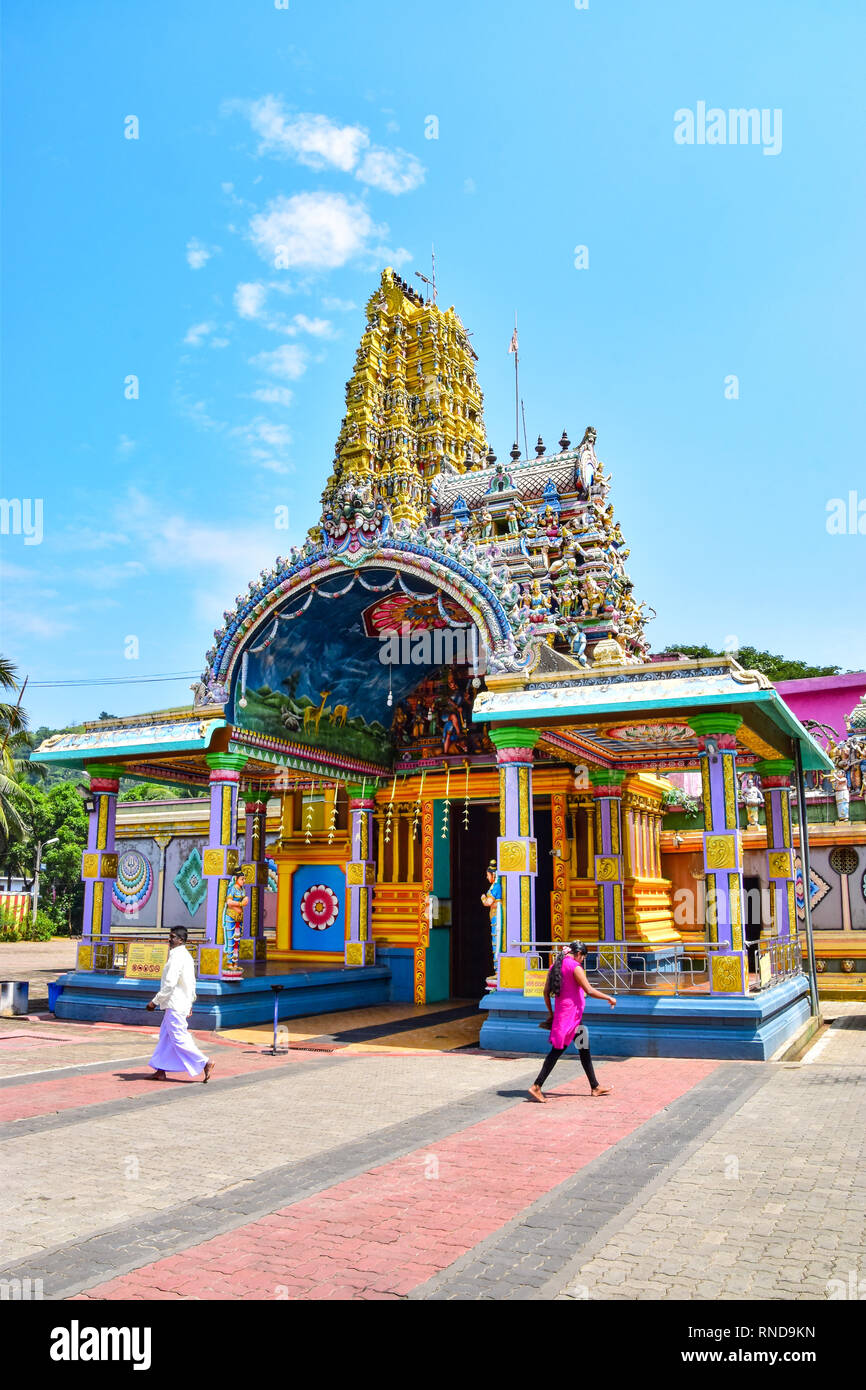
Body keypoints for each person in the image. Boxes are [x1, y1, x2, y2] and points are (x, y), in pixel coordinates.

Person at [529, 941, 614, 1103]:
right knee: (556, 1051)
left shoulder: (555, 966)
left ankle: (595, 1086)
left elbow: (546, 993)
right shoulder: (575, 967)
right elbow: (589, 990)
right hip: (570, 1019)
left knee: (584, 1048)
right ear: (578, 954)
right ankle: (536, 1086)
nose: (582, 960)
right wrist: (609, 997)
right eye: (583, 956)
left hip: (568, 1017)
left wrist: (551, 1013)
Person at [146, 926, 214, 1083]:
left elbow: (170, 984)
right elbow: (191, 983)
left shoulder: (177, 957)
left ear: (180, 940)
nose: (169, 939)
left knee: (178, 1036)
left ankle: (205, 1061)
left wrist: (154, 1002)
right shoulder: (186, 956)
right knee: (165, 1036)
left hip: (175, 1003)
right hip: (179, 1003)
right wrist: (190, 1002)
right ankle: (160, 1070)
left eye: (172, 937)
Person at [480, 860, 503, 974]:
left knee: (496, 942)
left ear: (493, 875)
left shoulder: (496, 887)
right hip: (494, 917)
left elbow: (488, 902)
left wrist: (483, 898)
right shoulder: (494, 886)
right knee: (494, 941)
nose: (487, 877)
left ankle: (498, 971)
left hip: (497, 918)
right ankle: (497, 971)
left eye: (488, 875)